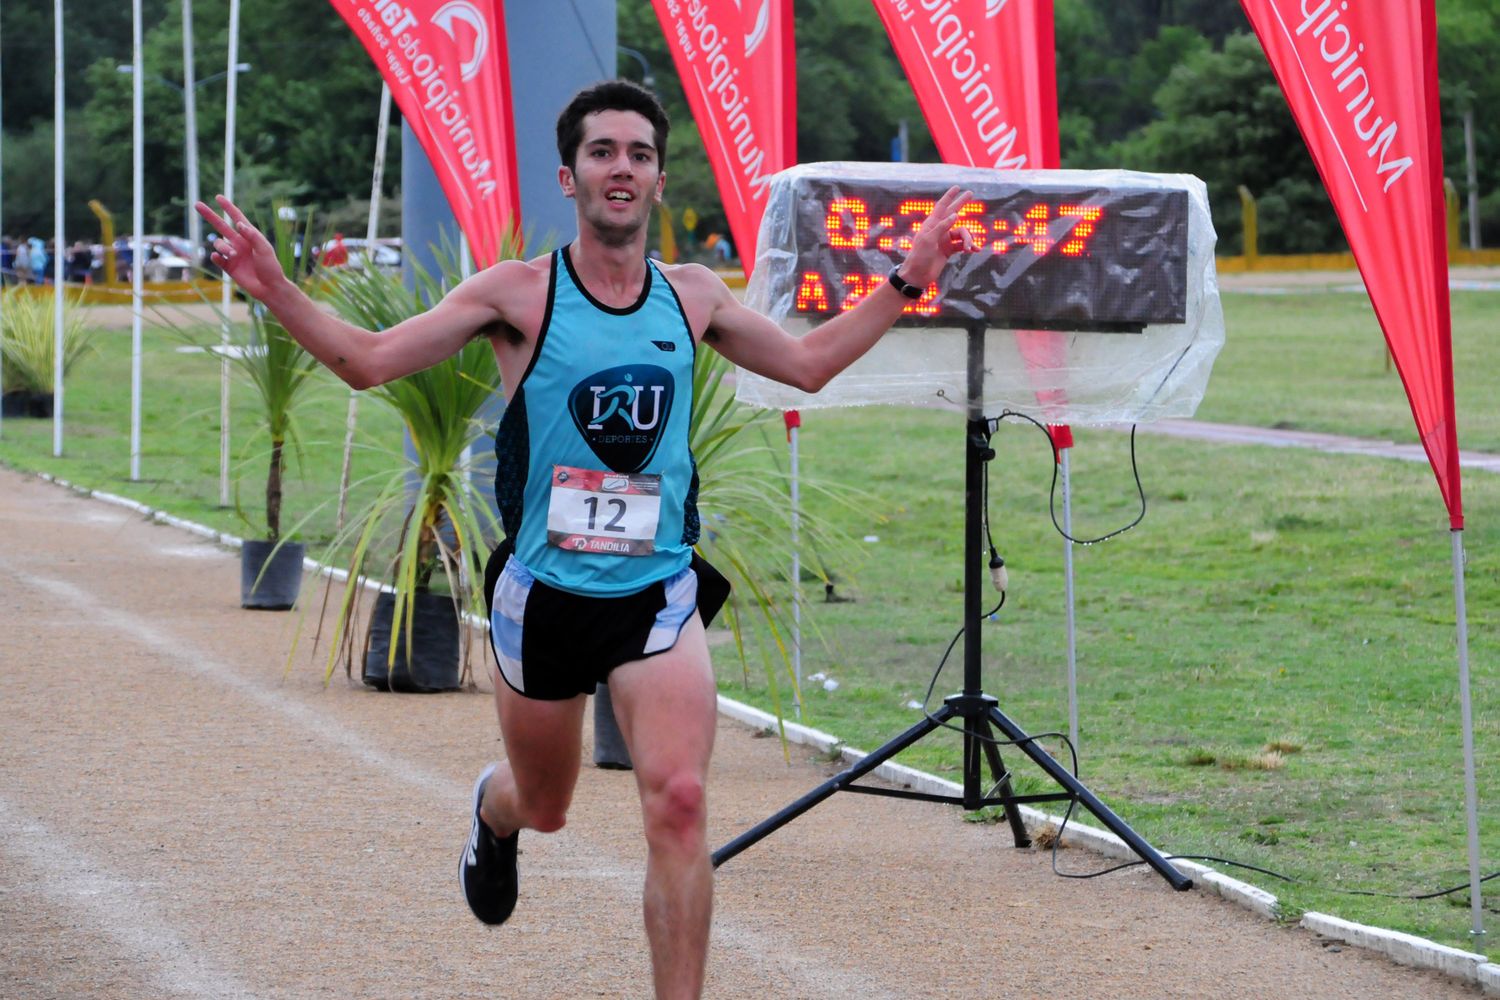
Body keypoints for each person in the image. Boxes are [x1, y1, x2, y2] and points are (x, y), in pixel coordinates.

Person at [197, 79, 969, 1000]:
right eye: (603, 152)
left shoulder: (692, 298)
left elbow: (805, 366)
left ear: (657, 180)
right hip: (544, 599)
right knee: (549, 805)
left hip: (657, 595)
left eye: (639, 154)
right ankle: (496, 812)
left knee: (679, 804)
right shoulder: (518, 296)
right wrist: (276, 287)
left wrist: (907, 280)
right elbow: (366, 363)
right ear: (570, 176)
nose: (622, 168)